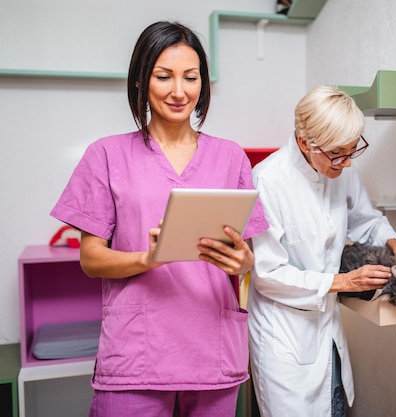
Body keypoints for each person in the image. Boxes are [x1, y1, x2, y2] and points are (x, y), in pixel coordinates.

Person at [50, 21, 268, 417]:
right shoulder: (106, 155)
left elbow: (247, 253)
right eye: (163, 76)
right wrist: (145, 259)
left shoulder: (231, 157)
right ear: (140, 81)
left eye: (191, 77)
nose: (179, 91)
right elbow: (90, 259)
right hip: (137, 357)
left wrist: (244, 262)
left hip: (212, 353)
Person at [247, 85, 396, 417]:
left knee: (334, 406)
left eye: (352, 150)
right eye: (336, 154)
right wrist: (345, 282)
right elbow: (267, 274)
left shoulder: (338, 168)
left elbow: (365, 220)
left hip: (326, 329)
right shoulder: (268, 181)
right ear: (304, 142)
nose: (345, 162)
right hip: (284, 335)